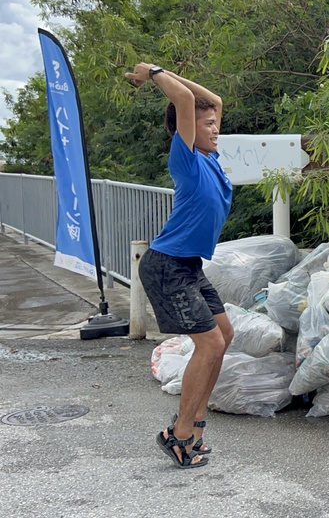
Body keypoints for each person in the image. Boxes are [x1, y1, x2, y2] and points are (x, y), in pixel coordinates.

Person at [125, 62, 233, 469]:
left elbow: (213, 100)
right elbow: (184, 100)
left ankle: (197, 424)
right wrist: (151, 71)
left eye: (214, 124)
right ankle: (179, 434)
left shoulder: (210, 156)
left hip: (188, 265)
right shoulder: (186, 156)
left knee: (225, 335)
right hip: (166, 266)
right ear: (188, 129)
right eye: (206, 124)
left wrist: (171, 76)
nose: (214, 127)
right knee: (209, 344)